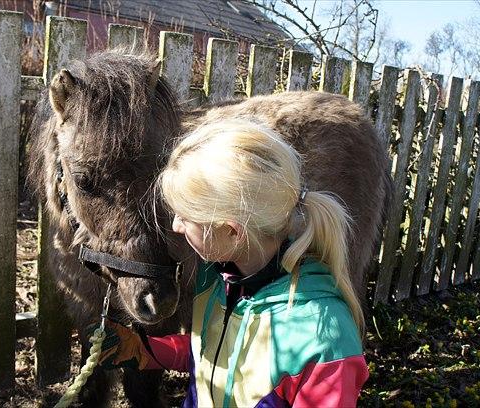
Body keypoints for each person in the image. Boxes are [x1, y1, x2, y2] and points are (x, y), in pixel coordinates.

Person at [92, 118, 369, 407]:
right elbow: (210, 349)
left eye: (185, 217)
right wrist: (143, 350)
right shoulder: (219, 277)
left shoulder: (323, 342)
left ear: (233, 231)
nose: (175, 226)